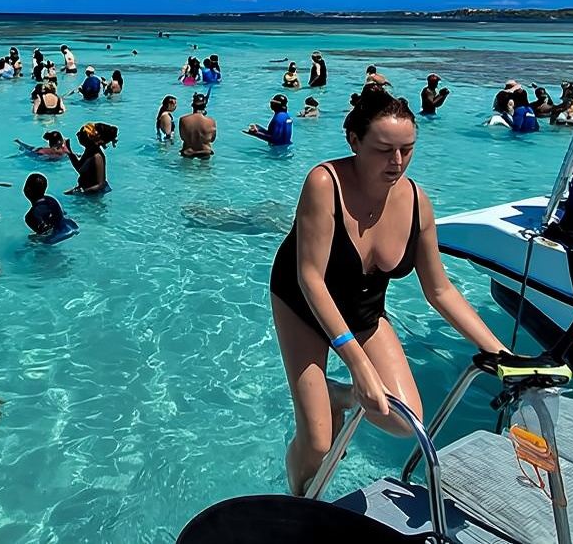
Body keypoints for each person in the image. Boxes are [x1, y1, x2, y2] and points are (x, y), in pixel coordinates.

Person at [268, 85, 509, 495]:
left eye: (407, 149)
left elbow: (439, 290)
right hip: (303, 307)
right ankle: (296, 501)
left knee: (402, 419)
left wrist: (504, 356)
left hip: (362, 311)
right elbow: (309, 277)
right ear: (354, 140)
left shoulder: (417, 202)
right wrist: (359, 363)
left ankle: (337, 394)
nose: (397, 162)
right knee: (317, 442)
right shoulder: (324, 183)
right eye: (383, 149)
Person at [23, 172, 78, 243]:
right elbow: (62, 213)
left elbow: (45, 232)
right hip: (69, 226)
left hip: (56, 238)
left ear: (27, 189)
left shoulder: (30, 216)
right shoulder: (51, 200)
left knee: (31, 239)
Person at [65, 122, 116, 195]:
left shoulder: (97, 156)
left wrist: (79, 191)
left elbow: (100, 184)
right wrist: (69, 152)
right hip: (87, 190)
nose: (77, 135)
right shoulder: (89, 150)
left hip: (95, 195)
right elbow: (80, 168)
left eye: (81, 134)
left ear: (88, 139)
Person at [179, 92, 217, 159]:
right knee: (205, 168)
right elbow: (212, 139)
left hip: (188, 151)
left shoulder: (183, 120)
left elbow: (182, 137)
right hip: (205, 151)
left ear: (192, 105)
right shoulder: (211, 121)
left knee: (187, 169)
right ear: (204, 106)